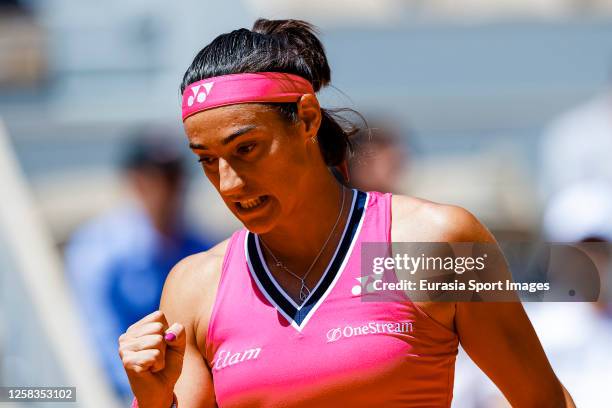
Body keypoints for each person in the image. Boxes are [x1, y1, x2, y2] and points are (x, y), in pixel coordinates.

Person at [118, 19, 575, 407]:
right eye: (207, 160)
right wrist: (152, 399)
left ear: (309, 120)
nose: (230, 182)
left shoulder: (432, 241)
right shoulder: (195, 286)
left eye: (247, 149)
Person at [65, 131, 213, 399]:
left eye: (174, 177)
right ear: (134, 182)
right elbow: (99, 340)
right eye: (158, 179)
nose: (169, 189)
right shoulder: (97, 249)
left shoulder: (200, 246)